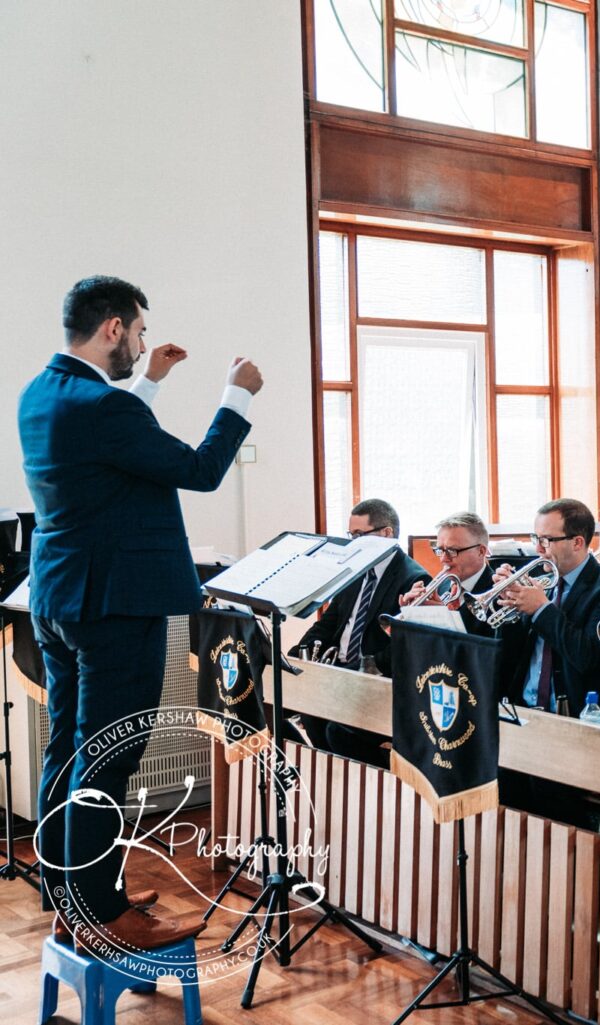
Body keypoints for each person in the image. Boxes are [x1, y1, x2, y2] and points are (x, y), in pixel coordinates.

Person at [20, 275, 261, 950]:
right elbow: (203, 467)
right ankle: (99, 912)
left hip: (61, 598)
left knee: (69, 749)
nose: (143, 344)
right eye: (140, 332)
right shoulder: (103, 408)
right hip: (118, 605)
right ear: (115, 328)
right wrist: (236, 394)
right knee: (109, 759)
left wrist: (148, 383)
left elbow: (111, 444)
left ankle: (73, 895)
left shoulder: (42, 393)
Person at [331, 512, 491, 765]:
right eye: (440, 550)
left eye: (454, 551)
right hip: (428, 693)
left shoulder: (496, 592)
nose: (445, 559)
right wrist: (408, 623)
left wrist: (441, 617)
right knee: (339, 729)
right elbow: (405, 658)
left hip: (469, 700)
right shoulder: (441, 589)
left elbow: (482, 656)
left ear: (482, 551)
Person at [495, 498, 600, 719]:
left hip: (578, 715)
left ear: (577, 542)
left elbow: (588, 657)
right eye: (535, 538)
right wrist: (511, 605)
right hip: (524, 709)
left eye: (546, 540)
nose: (538, 548)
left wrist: (541, 609)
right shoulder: (542, 580)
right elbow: (511, 655)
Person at [293, 498, 430, 668]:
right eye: (351, 535)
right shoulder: (354, 570)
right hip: (337, 667)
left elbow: (401, 648)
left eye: (359, 534)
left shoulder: (415, 579)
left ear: (387, 533)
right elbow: (327, 624)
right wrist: (297, 656)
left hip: (374, 675)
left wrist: (354, 671)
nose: (353, 542)